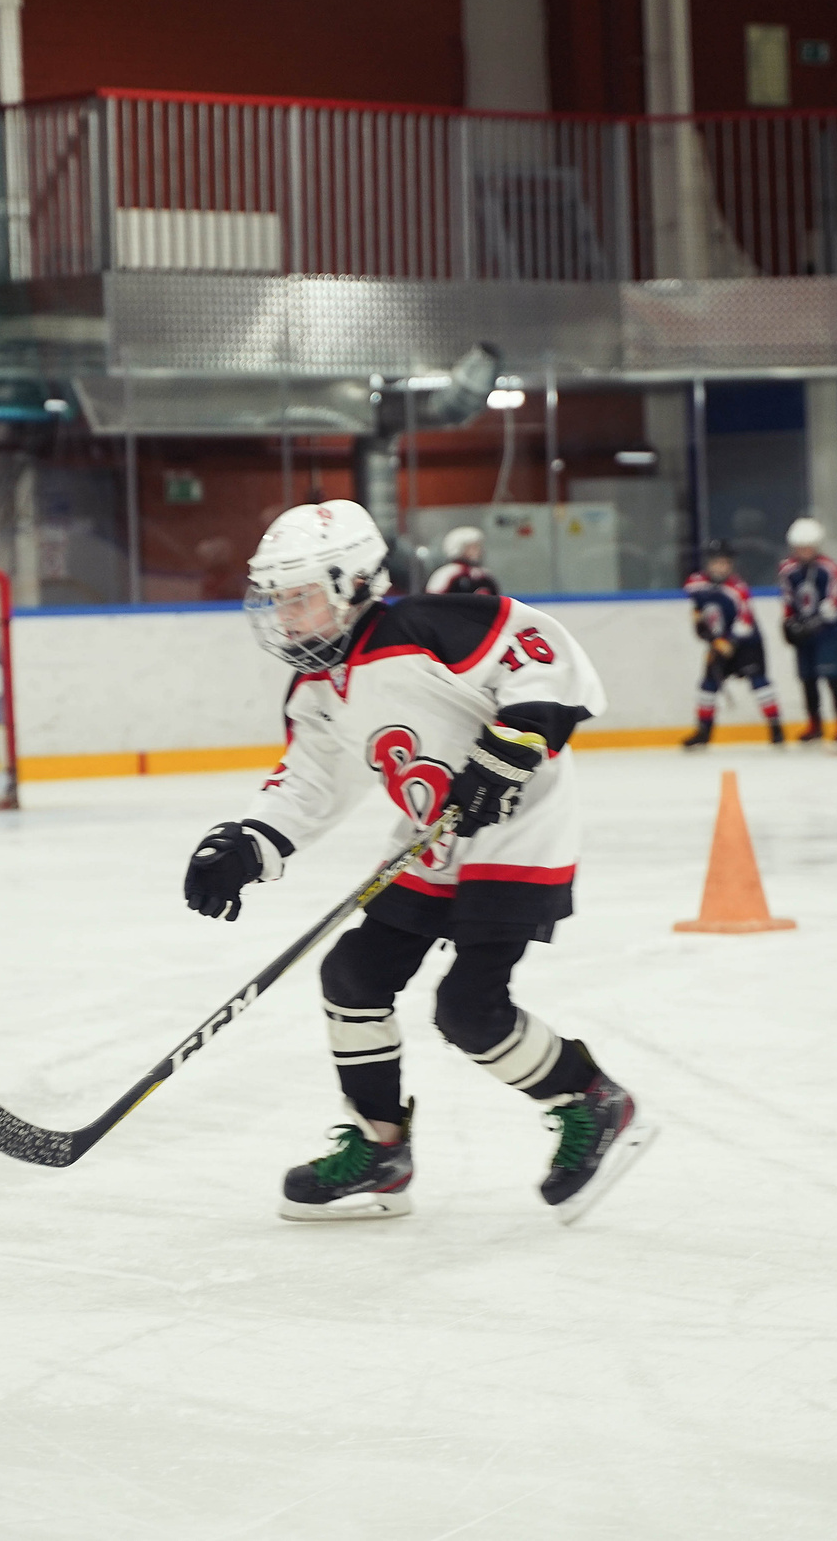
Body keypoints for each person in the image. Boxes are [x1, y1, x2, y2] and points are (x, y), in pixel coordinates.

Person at [181, 500, 652, 1225]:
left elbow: (541, 653)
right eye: (277, 598)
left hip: (518, 827)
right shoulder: (315, 689)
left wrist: (517, 740)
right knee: (354, 973)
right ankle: (381, 1148)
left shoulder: (424, 626)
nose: (285, 614)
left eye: (300, 595)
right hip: (433, 833)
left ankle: (591, 1098)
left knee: (469, 1008)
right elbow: (309, 781)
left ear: (352, 581)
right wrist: (248, 842)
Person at [681, 540, 784, 749]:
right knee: (708, 685)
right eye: (715, 563)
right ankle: (704, 731)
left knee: (759, 682)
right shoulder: (696, 583)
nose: (719, 567)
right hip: (718, 642)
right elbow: (697, 606)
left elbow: (744, 622)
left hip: (747, 644)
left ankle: (776, 728)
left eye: (724, 563)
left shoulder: (738, 589)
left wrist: (728, 643)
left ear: (730, 565)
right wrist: (700, 624)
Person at [777, 517, 837, 744]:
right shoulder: (787, 570)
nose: (803, 552)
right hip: (804, 633)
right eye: (799, 548)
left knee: (834, 678)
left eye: (807, 547)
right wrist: (790, 622)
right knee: (807, 679)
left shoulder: (830, 569)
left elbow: (833, 604)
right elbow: (789, 600)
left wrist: (814, 624)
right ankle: (815, 723)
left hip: (829, 633)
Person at [425, 526, 500, 596]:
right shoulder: (446, 574)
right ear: (458, 548)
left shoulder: (485, 575)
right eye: (472, 547)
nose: (479, 550)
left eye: (479, 546)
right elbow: (433, 602)